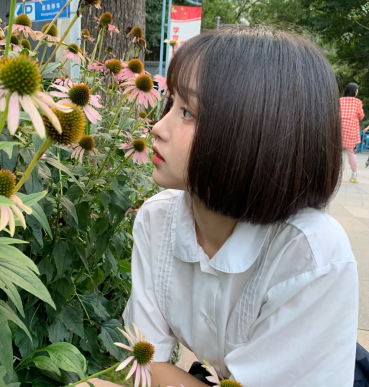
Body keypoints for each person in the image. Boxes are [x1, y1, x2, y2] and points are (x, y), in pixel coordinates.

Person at [80, 27, 358, 387]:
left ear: (257, 133)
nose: (157, 128)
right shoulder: (157, 218)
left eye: (188, 112)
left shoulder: (312, 255)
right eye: (171, 104)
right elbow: (144, 362)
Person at [340, 83, 368, 182]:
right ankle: (354, 174)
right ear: (354, 91)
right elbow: (361, 115)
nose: (357, 92)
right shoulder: (357, 102)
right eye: (357, 90)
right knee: (350, 152)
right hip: (351, 129)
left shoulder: (340, 100)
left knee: (335, 151)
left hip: (339, 127)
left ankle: (332, 172)